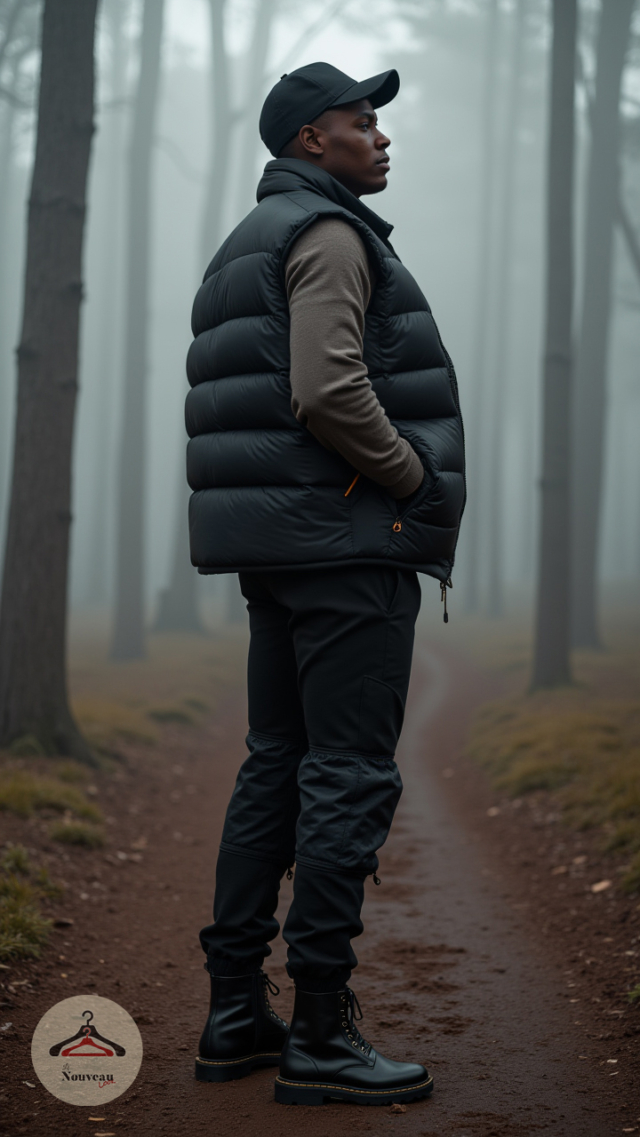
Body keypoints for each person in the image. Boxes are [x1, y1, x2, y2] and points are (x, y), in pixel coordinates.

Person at [186, 62, 465, 1106]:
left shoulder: (247, 242)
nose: (381, 138)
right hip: (347, 548)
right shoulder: (333, 235)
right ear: (313, 140)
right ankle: (317, 1031)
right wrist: (413, 476)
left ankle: (232, 1014)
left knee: (277, 765)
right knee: (346, 774)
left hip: (283, 548)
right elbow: (325, 387)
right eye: (362, 122)